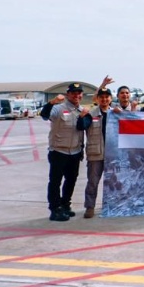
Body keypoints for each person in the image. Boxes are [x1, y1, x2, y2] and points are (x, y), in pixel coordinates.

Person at [39, 83, 86, 222]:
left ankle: (65, 205)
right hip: (59, 151)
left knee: (71, 180)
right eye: (73, 93)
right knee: (55, 181)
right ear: (67, 95)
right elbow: (44, 115)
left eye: (79, 93)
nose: (76, 95)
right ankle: (54, 209)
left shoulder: (82, 110)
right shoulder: (58, 109)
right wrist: (51, 102)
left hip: (75, 152)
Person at [76, 87, 112, 218]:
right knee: (93, 182)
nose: (104, 99)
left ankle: (111, 206)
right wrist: (81, 117)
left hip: (113, 155)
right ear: (97, 99)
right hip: (96, 154)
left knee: (113, 183)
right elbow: (81, 126)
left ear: (111, 99)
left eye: (107, 97)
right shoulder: (91, 114)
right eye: (101, 97)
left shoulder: (116, 114)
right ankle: (90, 207)